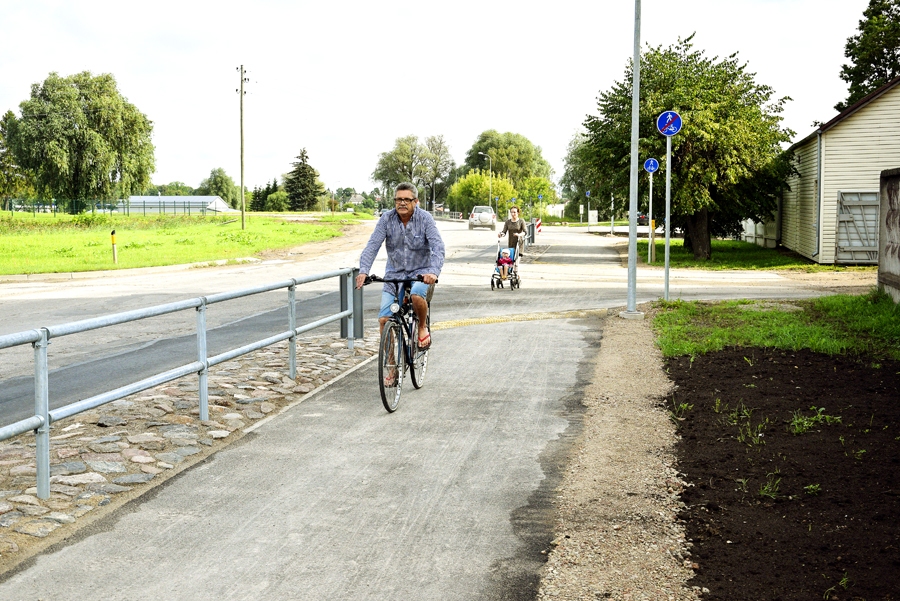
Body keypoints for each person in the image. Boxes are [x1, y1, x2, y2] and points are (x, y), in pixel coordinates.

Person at [356, 182, 445, 352]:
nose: (402, 203)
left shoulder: (425, 218)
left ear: (415, 201)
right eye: (398, 199)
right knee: (384, 319)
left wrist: (433, 271)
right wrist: (363, 271)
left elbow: (438, 247)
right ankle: (390, 366)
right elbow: (372, 245)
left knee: (417, 295)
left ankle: (422, 327)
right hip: (394, 274)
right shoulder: (386, 219)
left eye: (406, 199)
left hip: (421, 274)